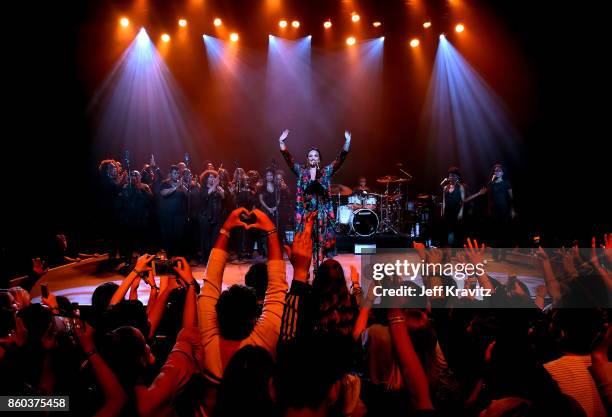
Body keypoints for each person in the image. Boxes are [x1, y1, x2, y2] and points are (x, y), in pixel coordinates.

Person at [280, 129, 351, 268]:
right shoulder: (301, 171)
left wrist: (347, 142)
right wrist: (281, 142)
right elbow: (289, 159)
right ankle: (305, 273)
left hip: (321, 214)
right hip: (306, 215)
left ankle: (318, 271)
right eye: (310, 156)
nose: (313, 158)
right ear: (307, 158)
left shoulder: (325, 172)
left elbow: (339, 159)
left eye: (316, 156)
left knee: (320, 244)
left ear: (319, 158)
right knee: (306, 244)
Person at [157, 165, 187, 256]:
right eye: (175, 173)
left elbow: (187, 194)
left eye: (178, 173)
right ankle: (170, 256)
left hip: (179, 214)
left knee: (179, 235)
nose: (177, 174)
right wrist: (175, 188)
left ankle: (178, 256)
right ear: (170, 174)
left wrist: (182, 186)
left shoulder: (180, 184)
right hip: (167, 214)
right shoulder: (164, 183)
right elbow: (163, 193)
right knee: (169, 235)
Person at [199, 170, 225, 264]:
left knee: (215, 239)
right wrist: (214, 186)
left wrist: (218, 187)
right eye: (210, 177)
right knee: (206, 239)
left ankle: (213, 258)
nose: (212, 179)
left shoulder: (217, 188)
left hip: (217, 217)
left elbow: (223, 196)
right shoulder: (202, 188)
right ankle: (205, 259)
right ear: (206, 179)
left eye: (213, 177)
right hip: (205, 216)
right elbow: (205, 195)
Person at [441, 167, 465, 247]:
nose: (451, 177)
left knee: (456, 231)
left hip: (456, 211)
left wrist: (461, 212)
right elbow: (444, 200)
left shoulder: (460, 187)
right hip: (447, 211)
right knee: (447, 231)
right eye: (450, 175)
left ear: (457, 176)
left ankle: (456, 251)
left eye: (454, 175)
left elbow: (462, 201)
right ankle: (447, 251)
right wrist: (443, 211)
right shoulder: (445, 188)